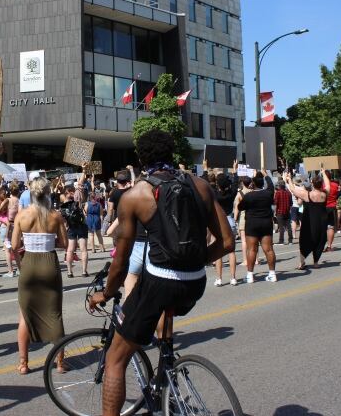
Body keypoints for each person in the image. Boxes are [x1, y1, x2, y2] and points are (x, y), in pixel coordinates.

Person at [87, 129, 234, 416]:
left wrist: (106, 293)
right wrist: (196, 261)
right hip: (195, 282)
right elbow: (228, 242)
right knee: (164, 323)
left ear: (140, 158)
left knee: (116, 358)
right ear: (172, 153)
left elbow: (122, 259)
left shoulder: (135, 196)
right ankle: (166, 372)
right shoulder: (201, 185)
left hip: (159, 282)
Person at [11, 177, 68, 375]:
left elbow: (15, 245)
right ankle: (60, 362)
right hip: (49, 264)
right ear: (48, 194)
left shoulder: (22, 216)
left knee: (25, 316)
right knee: (55, 313)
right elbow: (65, 244)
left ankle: (24, 363)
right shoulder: (55, 216)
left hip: (29, 266)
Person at [284, 170, 330, 269]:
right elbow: (328, 184)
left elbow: (292, 189)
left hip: (309, 221)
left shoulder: (307, 194)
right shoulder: (324, 194)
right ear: (320, 184)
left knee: (304, 240)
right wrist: (324, 173)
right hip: (322, 220)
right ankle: (316, 262)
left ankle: (301, 263)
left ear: (312, 183)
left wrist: (289, 180)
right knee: (319, 240)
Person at [238, 170, 277, 282]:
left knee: (251, 250)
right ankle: (272, 274)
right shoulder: (268, 193)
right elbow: (271, 185)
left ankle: (250, 276)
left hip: (252, 224)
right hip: (266, 223)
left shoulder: (249, 196)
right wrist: (266, 175)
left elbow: (240, 207)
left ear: (253, 184)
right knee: (269, 249)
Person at [210, 164, 239, 286]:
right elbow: (235, 184)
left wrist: (206, 170)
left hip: (218, 221)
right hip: (230, 220)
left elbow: (207, 184)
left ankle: (219, 278)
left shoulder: (214, 194)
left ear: (217, 184)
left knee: (218, 251)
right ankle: (233, 278)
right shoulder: (231, 194)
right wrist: (235, 171)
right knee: (231, 251)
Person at [61, 168, 90, 277]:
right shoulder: (78, 197)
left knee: (70, 250)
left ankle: (69, 272)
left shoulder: (64, 202)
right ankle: (84, 271)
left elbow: (63, 218)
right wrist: (83, 170)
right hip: (81, 225)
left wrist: (65, 226)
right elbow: (81, 182)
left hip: (71, 226)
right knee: (83, 250)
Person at [85, 188, 106, 253]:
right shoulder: (99, 204)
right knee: (99, 234)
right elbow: (101, 214)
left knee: (91, 235)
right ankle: (102, 248)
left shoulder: (87, 203)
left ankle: (93, 249)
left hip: (90, 219)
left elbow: (85, 211)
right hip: (97, 219)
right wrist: (101, 220)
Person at [274, 179, 293, 245]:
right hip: (287, 211)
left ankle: (281, 240)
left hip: (280, 211)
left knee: (281, 226)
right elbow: (291, 203)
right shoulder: (288, 192)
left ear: (279, 185)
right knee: (288, 226)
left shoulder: (278, 193)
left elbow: (275, 203)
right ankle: (290, 240)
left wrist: (275, 212)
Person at [324, 172, 340, 252]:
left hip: (322, 207)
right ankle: (329, 245)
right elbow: (338, 195)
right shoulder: (335, 185)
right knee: (331, 227)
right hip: (332, 207)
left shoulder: (321, 185)